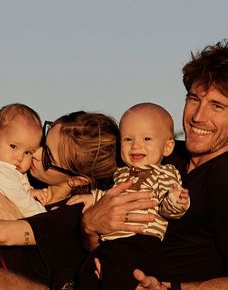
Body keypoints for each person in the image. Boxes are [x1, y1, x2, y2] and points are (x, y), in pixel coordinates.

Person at [81, 39, 228, 290]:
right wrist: (89, 228)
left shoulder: (223, 179)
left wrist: (172, 288)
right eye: (194, 99)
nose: (197, 117)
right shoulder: (159, 154)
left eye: (217, 105)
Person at [0, 110, 121, 290]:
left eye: (48, 157)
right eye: (43, 142)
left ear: (76, 180)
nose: (35, 153)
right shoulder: (24, 177)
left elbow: (1, 234)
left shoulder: (72, 215)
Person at [69, 102, 189, 290]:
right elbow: (111, 197)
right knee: (87, 273)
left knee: (118, 277)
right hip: (110, 245)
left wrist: (176, 199)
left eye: (147, 139)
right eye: (128, 139)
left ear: (167, 147)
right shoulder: (121, 173)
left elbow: (168, 208)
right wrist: (92, 198)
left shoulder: (165, 173)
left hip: (141, 243)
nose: (136, 145)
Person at [0, 103, 49, 219]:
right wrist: (46, 218)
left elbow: (16, 192)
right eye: (13, 146)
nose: (19, 158)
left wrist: (29, 192)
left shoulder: (10, 170)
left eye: (28, 152)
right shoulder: (1, 169)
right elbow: (23, 203)